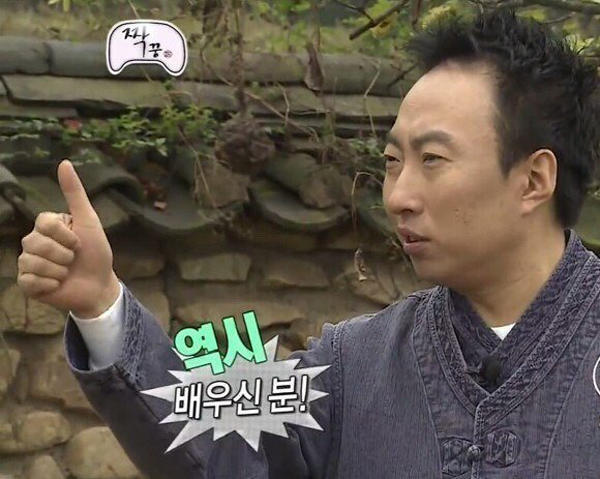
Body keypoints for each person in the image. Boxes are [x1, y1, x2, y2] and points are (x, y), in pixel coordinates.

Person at [16, 8, 600, 479]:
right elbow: (210, 438)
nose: (398, 196)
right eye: (392, 162)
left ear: (533, 180)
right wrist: (100, 305)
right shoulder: (350, 365)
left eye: (433, 159)